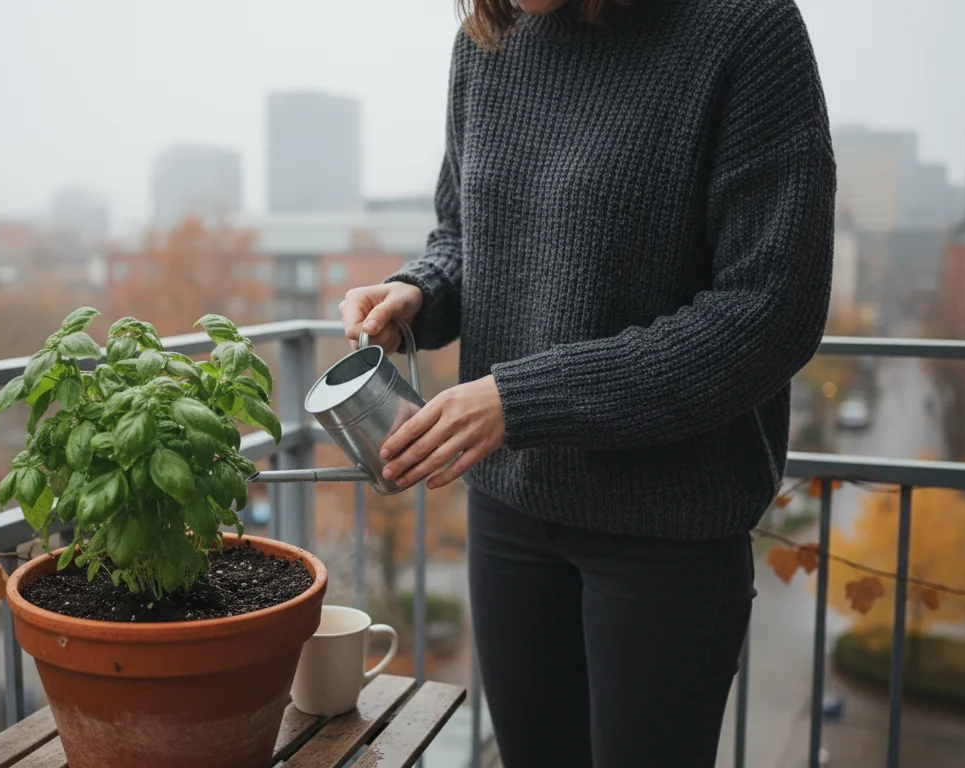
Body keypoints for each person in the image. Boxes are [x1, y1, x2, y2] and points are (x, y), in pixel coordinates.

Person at [338, 0, 835, 764]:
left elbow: (770, 313)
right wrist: (422, 292)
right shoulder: (488, 41)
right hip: (509, 508)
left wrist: (523, 399)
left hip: (667, 531)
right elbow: (466, 231)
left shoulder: (745, 28)